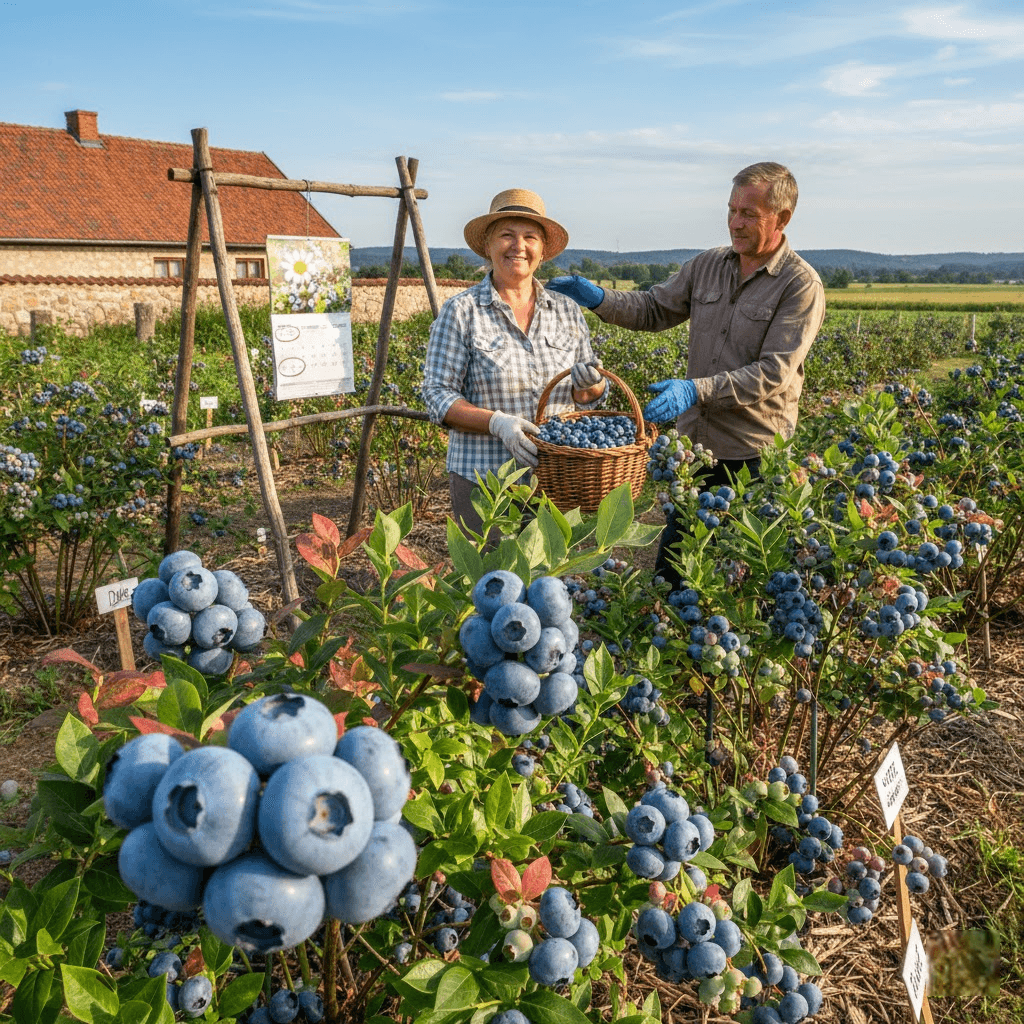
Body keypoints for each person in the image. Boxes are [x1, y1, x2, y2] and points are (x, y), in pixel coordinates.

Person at [547, 161, 825, 586]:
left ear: (782, 218)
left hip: (752, 454)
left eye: (748, 214)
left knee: (735, 576)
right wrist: (599, 297)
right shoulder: (707, 265)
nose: (735, 222)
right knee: (675, 572)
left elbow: (774, 373)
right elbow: (653, 308)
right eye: (731, 210)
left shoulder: (799, 284)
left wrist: (696, 390)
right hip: (694, 451)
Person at [422, 188, 607, 537]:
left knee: (552, 569)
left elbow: (586, 398)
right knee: (492, 569)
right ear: (488, 245)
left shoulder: (566, 310)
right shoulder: (462, 311)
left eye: (530, 237)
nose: (518, 246)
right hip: (486, 482)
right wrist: (497, 423)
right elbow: (437, 395)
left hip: (558, 480)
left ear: (543, 250)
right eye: (507, 235)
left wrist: (592, 386)